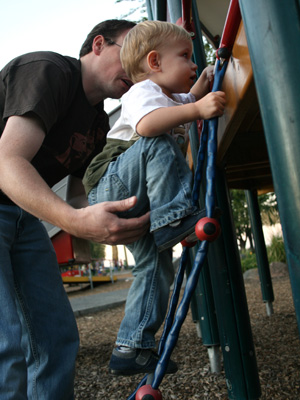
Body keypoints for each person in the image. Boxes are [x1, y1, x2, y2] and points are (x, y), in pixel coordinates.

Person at [0, 19, 150, 400]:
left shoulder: (98, 120)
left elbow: (81, 192)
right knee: (7, 344)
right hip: (8, 195)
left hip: (22, 216)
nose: (137, 68)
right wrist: (76, 222)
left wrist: (107, 218)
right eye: (130, 53)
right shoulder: (49, 71)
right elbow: (8, 162)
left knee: (56, 335)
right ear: (99, 44)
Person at [82, 20, 226, 376]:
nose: (192, 63)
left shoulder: (169, 97)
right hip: (110, 184)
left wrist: (201, 86)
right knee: (158, 139)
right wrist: (198, 108)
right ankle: (175, 218)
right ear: (155, 63)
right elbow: (148, 126)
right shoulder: (142, 92)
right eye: (185, 56)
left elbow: (186, 100)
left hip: (136, 198)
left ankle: (132, 346)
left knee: (155, 265)